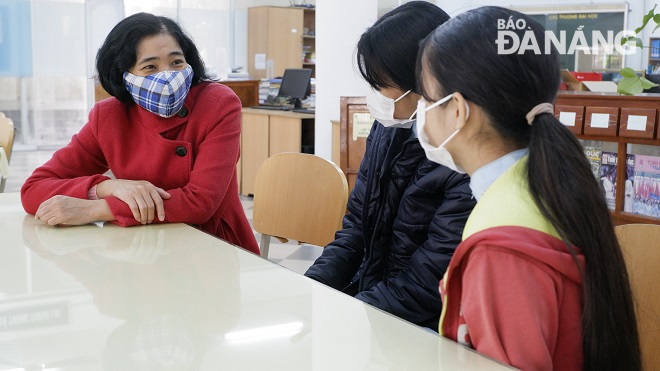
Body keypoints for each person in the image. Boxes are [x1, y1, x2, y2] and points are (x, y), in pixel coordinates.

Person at [416, 6, 640, 370]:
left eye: (426, 99)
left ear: (457, 109)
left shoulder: (502, 245)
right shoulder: (550, 184)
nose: (422, 114)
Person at [20, 12, 259, 255]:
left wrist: (97, 209)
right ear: (124, 76)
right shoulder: (109, 116)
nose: (168, 76)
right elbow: (33, 189)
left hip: (211, 249)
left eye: (176, 62)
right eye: (150, 66)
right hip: (138, 248)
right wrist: (108, 188)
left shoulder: (218, 103)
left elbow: (200, 202)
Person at [305, 1, 475, 330]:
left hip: (424, 324)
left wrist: (350, 315)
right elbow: (355, 230)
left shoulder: (462, 154)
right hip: (376, 303)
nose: (376, 96)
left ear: (423, 81)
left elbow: (429, 283)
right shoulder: (387, 127)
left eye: (382, 84)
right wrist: (310, 289)